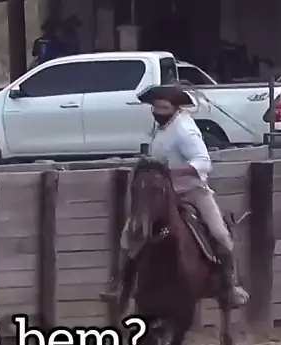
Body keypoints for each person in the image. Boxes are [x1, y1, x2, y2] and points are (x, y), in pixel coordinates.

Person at [100, 85, 249, 307]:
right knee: (130, 233)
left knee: (220, 234)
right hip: (162, 192)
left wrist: (170, 171)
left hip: (192, 191)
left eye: (163, 108)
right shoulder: (160, 128)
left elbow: (204, 162)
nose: (158, 112)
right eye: (155, 107)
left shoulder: (185, 130)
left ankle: (230, 286)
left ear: (175, 108)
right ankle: (120, 283)